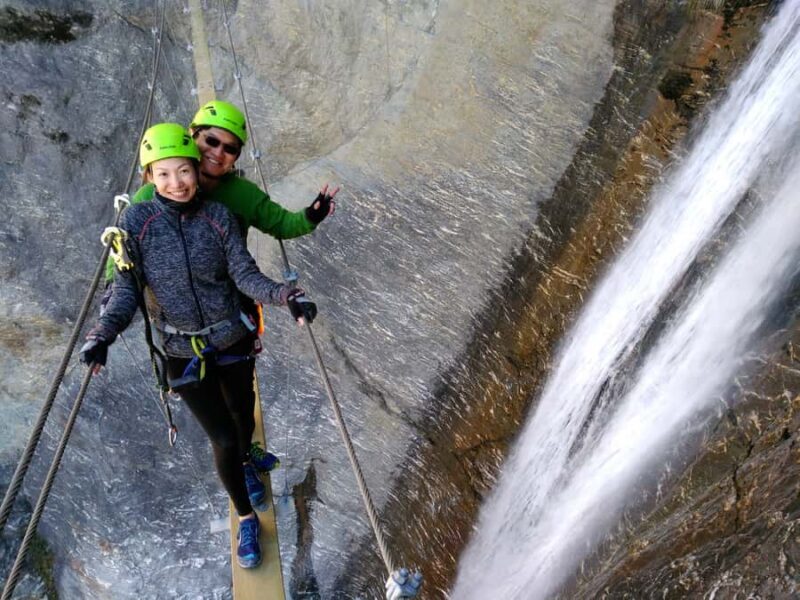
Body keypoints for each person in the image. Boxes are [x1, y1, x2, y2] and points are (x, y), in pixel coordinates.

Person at [80, 123, 317, 569]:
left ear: (195, 169)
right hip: (180, 350)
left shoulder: (219, 217)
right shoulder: (136, 223)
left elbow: (244, 274)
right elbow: (126, 289)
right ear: (149, 178)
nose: (177, 183)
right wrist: (102, 335)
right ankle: (246, 517)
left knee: (243, 413)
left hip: (232, 337)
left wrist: (287, 296)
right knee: (223, 436)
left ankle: (249, 462)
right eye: (164, 174)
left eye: (184, 171)